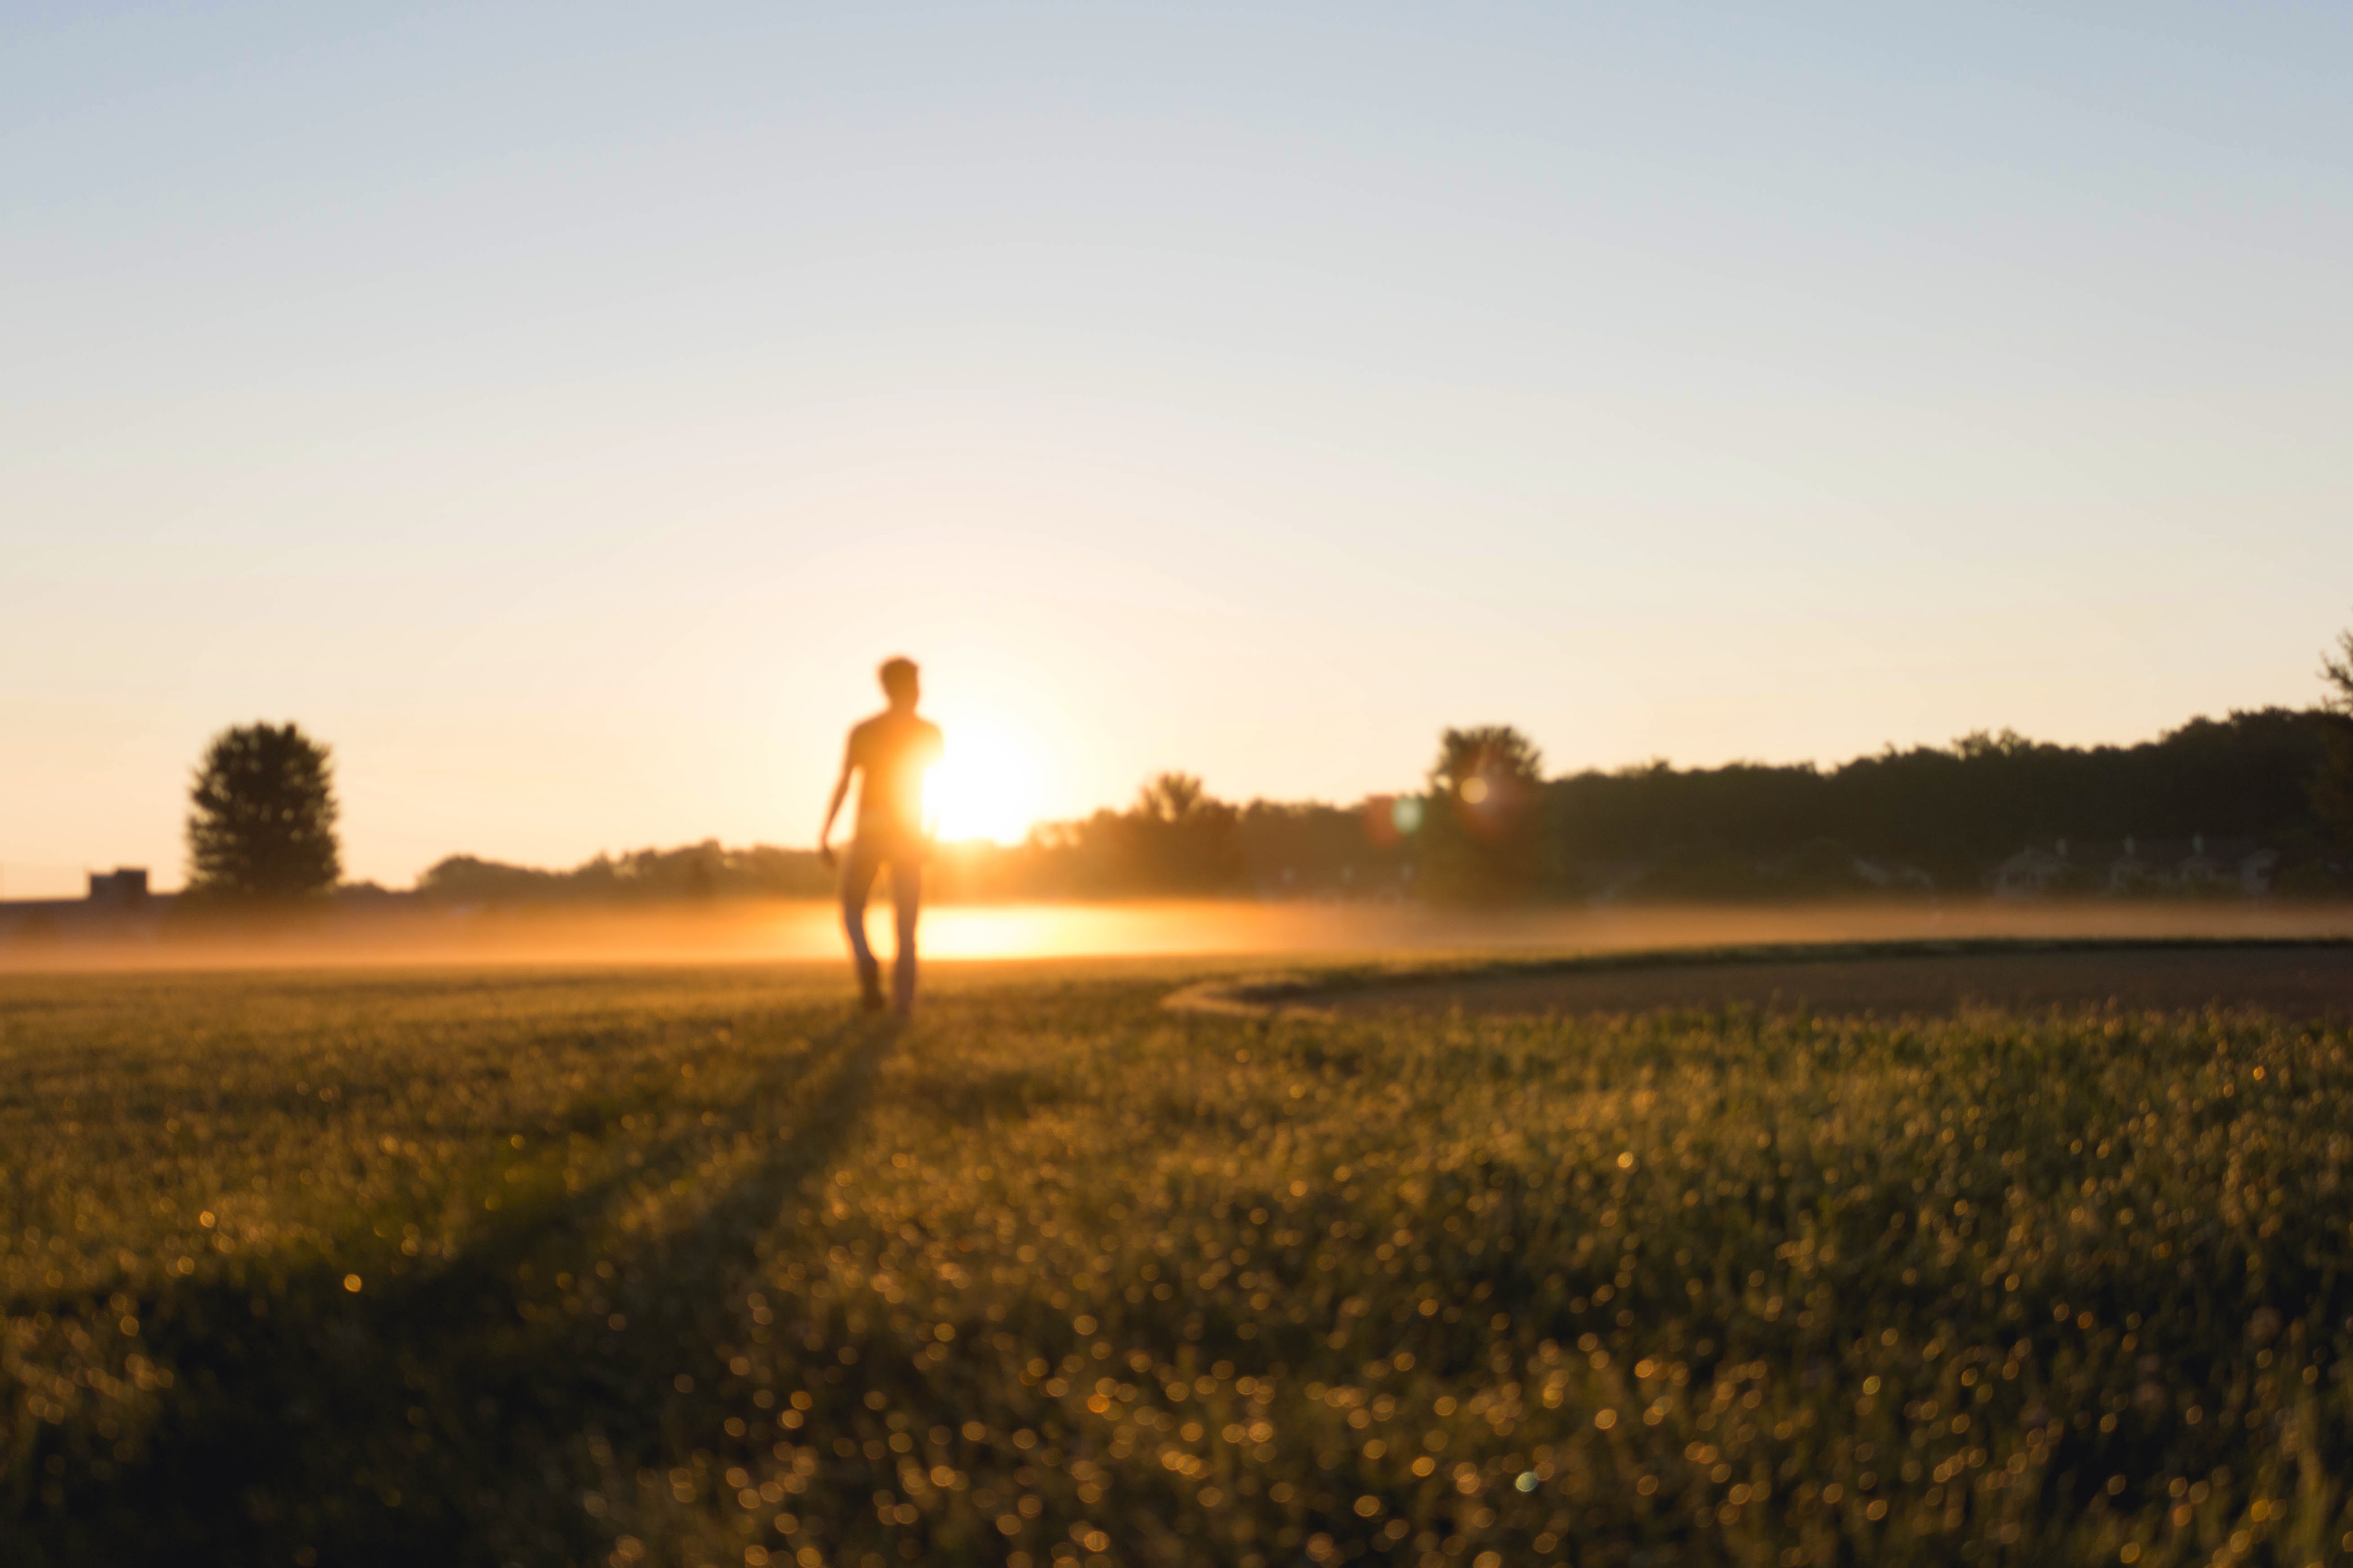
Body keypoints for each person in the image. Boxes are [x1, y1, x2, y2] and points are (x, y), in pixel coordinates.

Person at [819, 657, 944, 1015]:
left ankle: (866, 960)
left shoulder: (865, 729)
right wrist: (930, 836)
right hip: (908, 832)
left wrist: (826, 833)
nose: (920, 690)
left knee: (852, 908)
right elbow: (941, 788)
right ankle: (903, 1002)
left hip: (872, 829)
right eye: (916, 683)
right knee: (907, 922)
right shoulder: (928, 732)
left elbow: (845, 782)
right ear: (905, 687)